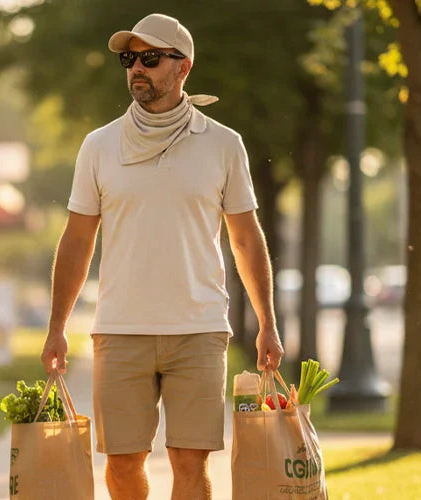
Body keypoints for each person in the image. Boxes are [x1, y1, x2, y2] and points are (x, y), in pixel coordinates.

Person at [40, 13, 284, 500]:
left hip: (198, 329)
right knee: (124, 467)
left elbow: (245, 238)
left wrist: (267, 321)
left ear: (183, 68)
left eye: (150, 59)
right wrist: (56, 327)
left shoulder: (223, 144)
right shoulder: (99, 146)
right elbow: (76, 241)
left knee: (189, 464)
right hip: (119, 329)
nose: (137, 69)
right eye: (130, 59)